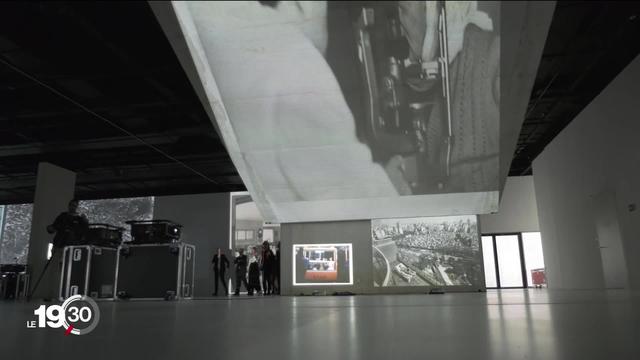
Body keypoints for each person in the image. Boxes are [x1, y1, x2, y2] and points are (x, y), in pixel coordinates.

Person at [41, 199, 88, 300]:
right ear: (69, 205)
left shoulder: (80, 220)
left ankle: (66, 295)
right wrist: (50, 228)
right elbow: (53, 227)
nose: (73, 207)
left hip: (71, 248)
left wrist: (85, 222)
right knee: (53, 271)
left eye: (75, 205)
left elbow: (84, 232)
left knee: (68, 271)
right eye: (71, 205)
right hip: (59, 245)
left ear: (77, 207)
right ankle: (51, 294)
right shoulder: (62, 216)